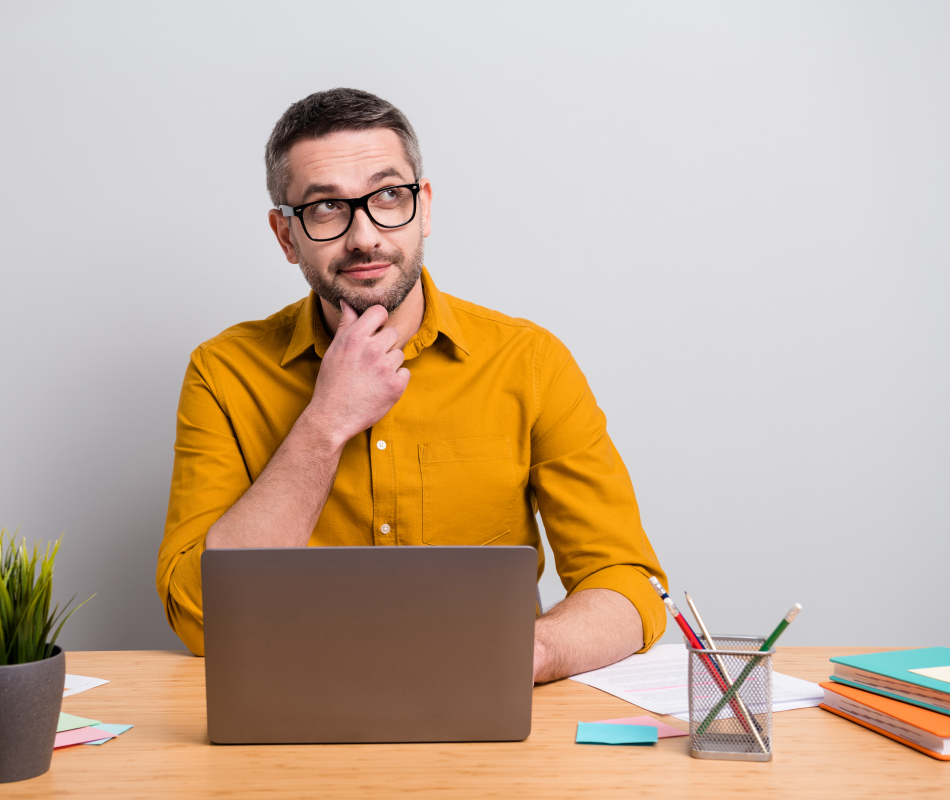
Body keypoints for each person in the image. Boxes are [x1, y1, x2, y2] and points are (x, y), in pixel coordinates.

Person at [156, 88, 668, 683]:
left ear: (423, 206)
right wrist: (325, 423)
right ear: (285, 235)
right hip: (295, 705)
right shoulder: (223, 373)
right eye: (326, 209)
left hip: (487, 700)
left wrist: (533, 652)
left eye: (389, 196)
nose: (365, 237)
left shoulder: (530, 362)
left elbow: (629, 585)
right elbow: (199, 615)